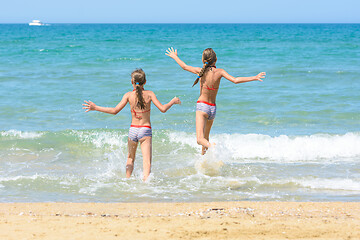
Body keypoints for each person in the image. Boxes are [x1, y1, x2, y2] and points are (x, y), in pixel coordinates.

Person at [83, 69, 181, 181]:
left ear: (132, 82)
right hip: (145, 130)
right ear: (145, 82)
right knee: (146, 161)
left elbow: (115, 111)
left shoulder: (128, 95)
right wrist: (173, 101)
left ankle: (127, 180)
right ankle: (146, 184)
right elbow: (163, 109)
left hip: (133, 130)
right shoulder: (150, 94)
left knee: (130, 158)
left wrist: (95, 108)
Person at [165, 47, 265, 155]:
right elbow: (235, 80)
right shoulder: (220, 72)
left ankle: (213, 148)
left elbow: (184, 66)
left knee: (200, 139)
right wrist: (254, 77)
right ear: (216, 59)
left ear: (203, 60)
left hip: (202, 106)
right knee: (206, 138)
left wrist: (175, 56)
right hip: (212, 109)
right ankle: (205, 161)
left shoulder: (200, 71)